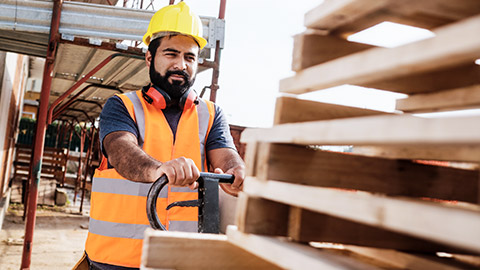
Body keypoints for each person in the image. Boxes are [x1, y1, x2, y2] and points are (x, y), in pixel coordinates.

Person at [79, 2, 245, 269]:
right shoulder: (122, 106)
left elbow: (226, 156)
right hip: (117, 259)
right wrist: (159, 169)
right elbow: (122, 152)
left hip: (179, 259)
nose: (181, 64)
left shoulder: (212, 115)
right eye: (171, 54)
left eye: (190, 57)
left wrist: (236, 171)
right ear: (149, 58)